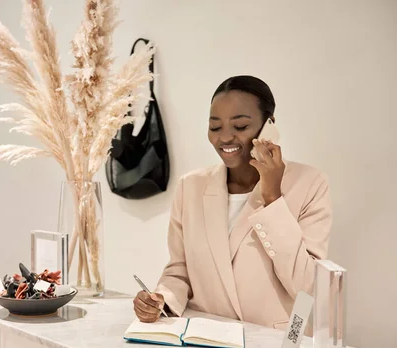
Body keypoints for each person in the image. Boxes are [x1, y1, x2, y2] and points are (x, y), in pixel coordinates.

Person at [133, 75, 332, 330]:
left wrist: (272, 198)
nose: (225, 137)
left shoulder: (310, 184)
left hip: (270, 346)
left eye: (240, 127)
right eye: (215, 127)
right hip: (203, 340)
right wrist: (161, 299)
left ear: (268, 125)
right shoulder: (190, 186)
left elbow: (308, 286)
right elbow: (180, 270)